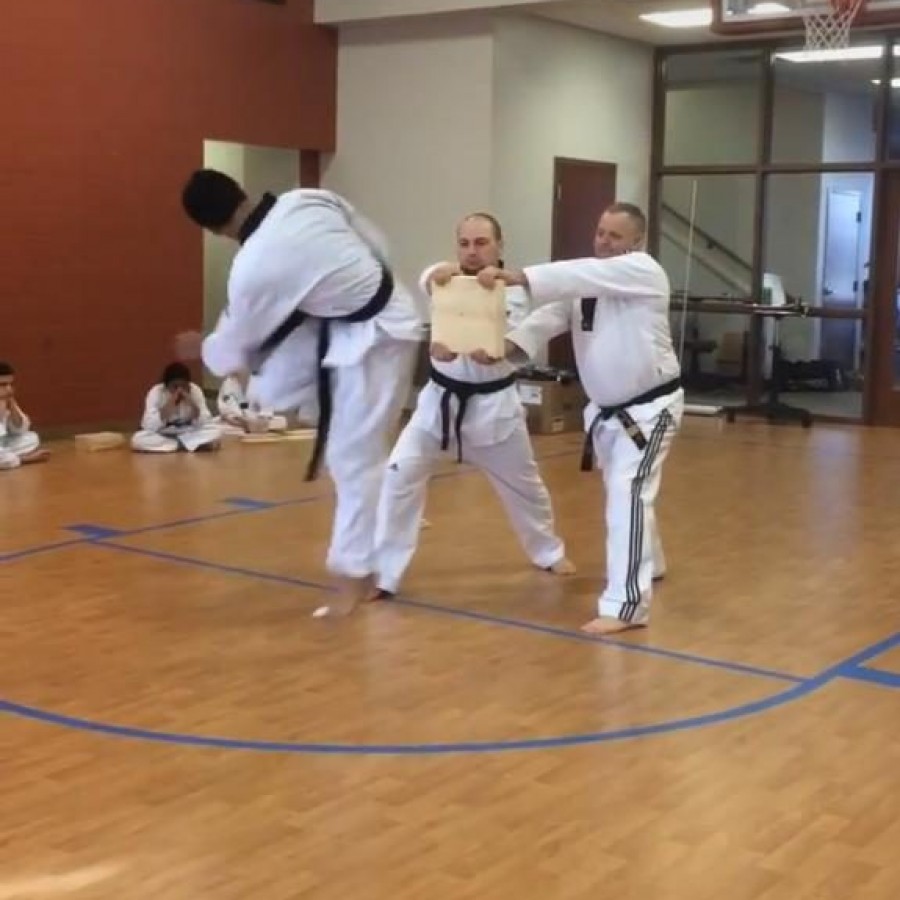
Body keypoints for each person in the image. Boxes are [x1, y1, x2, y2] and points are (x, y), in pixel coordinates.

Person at [177, 169, 425, 616]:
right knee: (273, 388)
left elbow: (236, 343)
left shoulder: (253, 267)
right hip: (348, 321)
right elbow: (374, 241)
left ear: (212, 230)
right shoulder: (308, 198)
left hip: (384, 335)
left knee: (353, 458)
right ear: (242, 191)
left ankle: (354, 575)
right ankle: (360, 564)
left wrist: (204, 350)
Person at [475, 202, 683, 636]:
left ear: (637, 242)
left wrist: (517, 275)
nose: (604, 242)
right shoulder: (588, 283)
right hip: (609, 414)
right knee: (629, 492)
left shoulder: (643, 270)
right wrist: (504, 349)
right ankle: (653, 563)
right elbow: (549, 316)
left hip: (650, 409)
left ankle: (626, 606)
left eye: (615, 236)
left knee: (628, 492)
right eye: (601, 232)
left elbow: (579, 273)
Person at [373, 213, 574, 598]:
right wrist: (437, 273)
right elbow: (426, 277)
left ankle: (547, 551)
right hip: (438, 405)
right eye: (464, 244)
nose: (472, 252)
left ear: (500, 246)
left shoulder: (518, 292)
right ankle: (384, 574)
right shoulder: (445, 281)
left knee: (525, 488)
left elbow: (533, 329)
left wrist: (500, 352)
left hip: (494, 408)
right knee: (398, 478)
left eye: (481, 243)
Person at [131, 362, 222, 453]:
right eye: (175, 386)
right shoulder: (156, 392)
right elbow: (148, 426)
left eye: (184, 386)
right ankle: (184, 445)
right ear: (166, 386)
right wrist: (169, 406)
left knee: (216, 431)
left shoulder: (195, 390)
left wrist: (192, 404)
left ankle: (176, 445)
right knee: (138, 440)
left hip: (188, 432)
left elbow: (206, 421)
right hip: (164, 434)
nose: (180, 390)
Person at [0, 361, 50, 469]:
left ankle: (9, 455)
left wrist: (11, 402)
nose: (8, 389)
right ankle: (22, 458)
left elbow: (19, 429)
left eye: (10, 384)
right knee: (5, 457)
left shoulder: (4, 399)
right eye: (3, 385)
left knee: (31, 438)